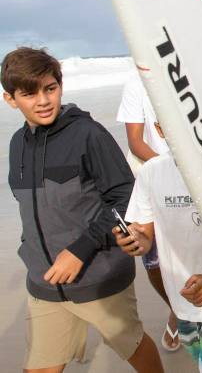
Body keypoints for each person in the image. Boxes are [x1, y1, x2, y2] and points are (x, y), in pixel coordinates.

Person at [1, 47, 163, 373]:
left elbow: (124, 196)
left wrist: (79, 250)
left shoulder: (88, 134)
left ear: (60, 86)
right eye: (30, 93)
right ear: (10, 99)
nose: (43, 100)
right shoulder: (17, 143)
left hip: (99, 277)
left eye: (50, 88)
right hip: (44, 283)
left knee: (133, 347)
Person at [115, 121, 202, 372]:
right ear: (159, 128)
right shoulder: (152, 172)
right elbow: (144, 235)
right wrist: (134, 239)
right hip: (182, 304)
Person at [117, 72, 179, 352]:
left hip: (199, 174)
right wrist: (172, 172)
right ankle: (177, 308)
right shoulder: (135, 82)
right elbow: (135, 141)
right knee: (153, 260)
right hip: (153, 172)